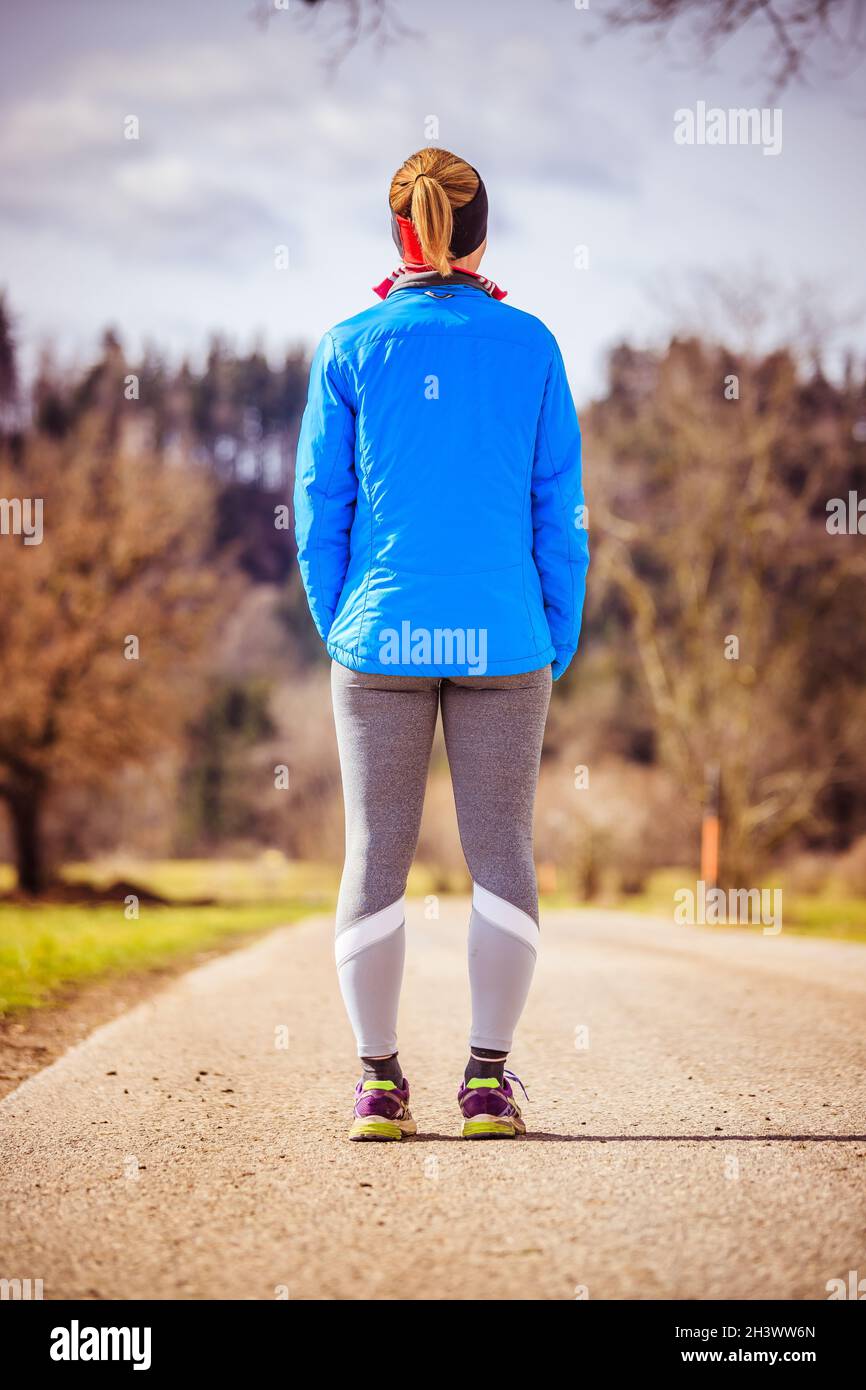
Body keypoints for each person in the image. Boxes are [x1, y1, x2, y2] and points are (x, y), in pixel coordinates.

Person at [294, 146, 589, 1140]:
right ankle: (485, 1084)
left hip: (376, 635)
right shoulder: (530, 343)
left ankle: (378, 1085)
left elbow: (315, 509)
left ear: (398, 234)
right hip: (504, 636)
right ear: (480, 233)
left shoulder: (346, 344)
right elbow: (560, 511)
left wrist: (341, 621)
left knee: (374, 852)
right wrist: (555, 632)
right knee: (500, 850)